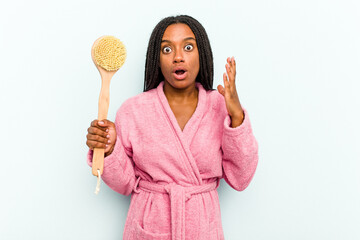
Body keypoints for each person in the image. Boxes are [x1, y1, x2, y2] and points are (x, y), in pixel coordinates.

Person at [86, 15, 258, 240]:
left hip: (203, 229)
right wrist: (108, 148)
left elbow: (240, 178)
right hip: (148, 225)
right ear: (156, 58)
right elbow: (125, 184)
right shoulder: (133, 110)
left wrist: (236, 116)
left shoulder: (220, 107)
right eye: (167, 50)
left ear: (202, 54)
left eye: (188, 47)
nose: (178, 57)